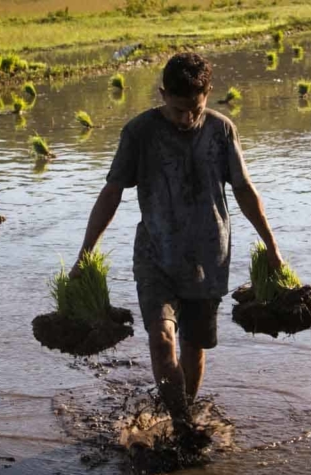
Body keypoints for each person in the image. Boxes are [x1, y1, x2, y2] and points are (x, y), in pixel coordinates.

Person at [69, 52, 284, 438]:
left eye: (195, 109)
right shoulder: (139, 133)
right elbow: (112, 192)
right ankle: (183, 426)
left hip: (208, 259)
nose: (187, 118)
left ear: (208, 94)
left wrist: (271, 245)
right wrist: (86, 253)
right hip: (156, 255)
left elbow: (244, 190)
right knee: (162, 338)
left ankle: (178, 415)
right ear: (162, 93)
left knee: (193, 347)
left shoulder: (221, 130)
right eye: (179, 108)